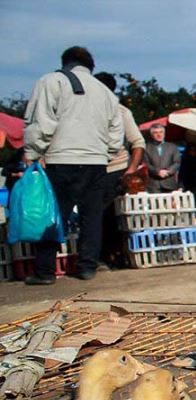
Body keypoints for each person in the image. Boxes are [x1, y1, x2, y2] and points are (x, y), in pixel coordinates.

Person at [22, 46, 123, 284]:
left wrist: (33, 152)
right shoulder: (105, 91)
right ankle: (87, 268)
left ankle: (45, 271)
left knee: (54, 215)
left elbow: (42, 122)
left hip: (62, 159)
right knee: (92, 217)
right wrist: (104, 154)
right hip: (96, 162)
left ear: (65, 61)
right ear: (90, 66)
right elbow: (116, 132)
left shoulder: (52, 81)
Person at [94, 71, 145, 268]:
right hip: (91, 169)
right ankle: (99, 257)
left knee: (111, 216)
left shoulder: (121, 111)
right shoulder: (83, 111)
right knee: (93, 216)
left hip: (115, 169)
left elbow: (137, 142)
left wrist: (130, 170)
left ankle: (113, 256)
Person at [145, 123, 181, 192]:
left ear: (164, 133)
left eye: (161, 132)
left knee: (169, 203)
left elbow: (177, 162)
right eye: (156, 133)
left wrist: (168, 171)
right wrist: (157, 171)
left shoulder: (172, 147)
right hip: (153, 184)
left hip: (169, 183)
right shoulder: (146, 148)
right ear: (152, 135)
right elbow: (146, 164)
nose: (159, 135)